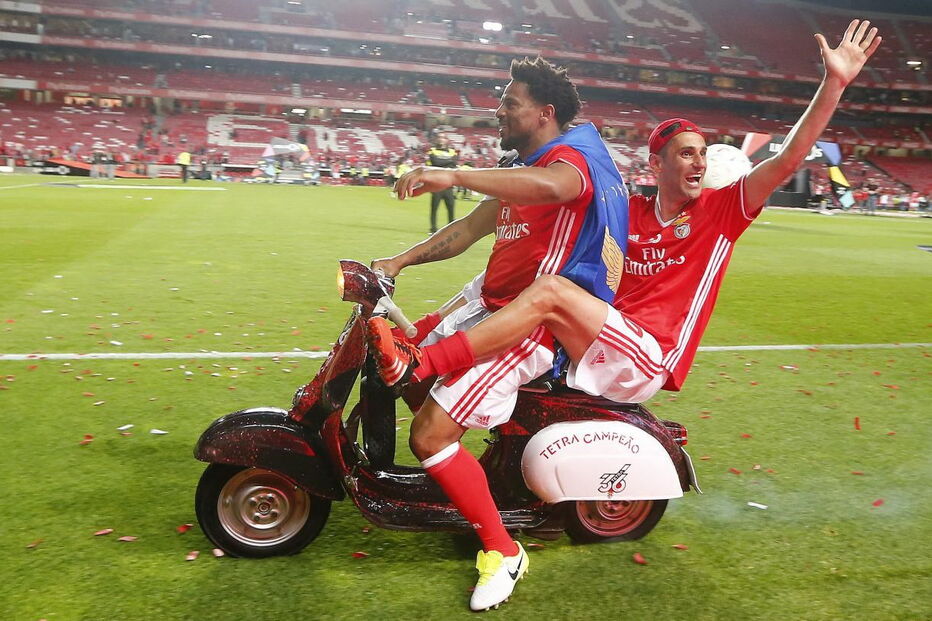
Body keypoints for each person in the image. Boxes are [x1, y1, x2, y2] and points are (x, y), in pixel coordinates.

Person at [368, 16, 881, 596]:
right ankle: (479, 458)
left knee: (554, 293)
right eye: (684, 154)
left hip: (644, 354)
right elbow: (532, 210)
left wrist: (834, 84)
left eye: (703, 156)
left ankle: (436, 383)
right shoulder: (629, 216)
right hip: (593, 340)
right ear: (656, 165)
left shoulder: (720, 214)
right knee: (542, 302)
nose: (698, 164)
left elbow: (787, 159)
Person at [370, 56, 628, 612]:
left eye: (510, 103)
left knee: (429, 437)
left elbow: (558, 187)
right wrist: (399, 261)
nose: (499, 110)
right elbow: (466, 230)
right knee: (405, 362)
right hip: (491, 310)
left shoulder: (571, 160)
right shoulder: (526, 164)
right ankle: (480, 475)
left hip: (532, 329)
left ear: (544, 112)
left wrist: (455, 174)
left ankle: (502, 549)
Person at [426, 136, 458, 233]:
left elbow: (454, 163)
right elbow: (435, 162)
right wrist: (449, 161)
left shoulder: (452, 151)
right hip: (436, 185)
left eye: (444, 137)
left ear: (447, 140)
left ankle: (451, 228)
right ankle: (433, 228)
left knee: (451, 208)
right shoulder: (432, 150)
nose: (441, 139)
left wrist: (441, 162)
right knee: (434, 208)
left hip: (448, 185)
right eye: (440, 137)